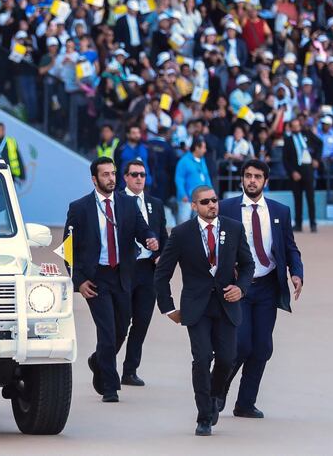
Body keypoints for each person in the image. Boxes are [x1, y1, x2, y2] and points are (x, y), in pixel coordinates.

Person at [155, 185, 255, 437]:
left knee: (226, 358)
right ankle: (204, 417)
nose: (212, 205)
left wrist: (241, 289)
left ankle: (216, 394)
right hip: (195, 307)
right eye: (205, 202)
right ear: (194, 206)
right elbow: (162, 273)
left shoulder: (233, 228)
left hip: (226, 304)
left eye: (214, 200)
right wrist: (168, 308)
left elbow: (247, 265)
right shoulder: (180, 234)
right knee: (201, 360)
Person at [64, 157, 159, 403]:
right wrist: (79, 281)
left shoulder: (127, 204)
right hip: (96, 278)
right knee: (106, 331)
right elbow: (67, 248)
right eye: (105, 175)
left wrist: (150, 238)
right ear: (94, 179)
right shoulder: (80, 207)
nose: (111, 178)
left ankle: (98, 361)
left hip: (123, 275)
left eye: (113, 174)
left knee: (120, 329)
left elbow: (141, 228)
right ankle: (109, 385)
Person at [218, 160, 304, 418]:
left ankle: (245, 403)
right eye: (247, 176)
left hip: (267, 285)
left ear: (266, 181)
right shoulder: (225, 208)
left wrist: (296, 272)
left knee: (262, 347)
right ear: (242, 179)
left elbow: (289, 247)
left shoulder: (280, 211)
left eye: (257, 176)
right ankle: (217, 389)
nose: (252, 181)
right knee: (241, 345)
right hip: (238, 287)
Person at [120, 159, 168, 387]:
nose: (139, 178)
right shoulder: (116, 201)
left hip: (148, 270)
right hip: (123, 269)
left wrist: (161, 256)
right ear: (125, 178)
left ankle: (130, 370)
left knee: (142, 321)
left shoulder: (155, 204)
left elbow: (163, 236)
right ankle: (101, 361)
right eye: (134, 174)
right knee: (120, 321)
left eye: (142, 174)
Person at [282, 118, 322, 232]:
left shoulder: (307, 134)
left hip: (308, 168)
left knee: (310, 198)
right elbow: (285, 159)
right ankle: (298, 224)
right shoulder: (288, 140)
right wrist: (292, 172)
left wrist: (316, 159)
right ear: (290, 127)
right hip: (296, 170)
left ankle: (313, 224)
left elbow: (320, 143)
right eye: (293, 126)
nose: (296, 128)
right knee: (297, 198)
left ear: (300, 125)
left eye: (297, 125)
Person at [175, 137, 212, 224]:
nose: (205, 150)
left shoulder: (202, 160)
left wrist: (211, 192)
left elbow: (206, 177)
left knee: (199, 225)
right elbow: (179, 179)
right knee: (183, 226)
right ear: (196, 147)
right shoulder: (184, 161)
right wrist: (182, 194)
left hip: (201, 199)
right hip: (186, 199)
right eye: (203, 147)